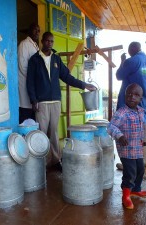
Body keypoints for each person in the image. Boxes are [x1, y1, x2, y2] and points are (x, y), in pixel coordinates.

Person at [26, 31, 96, 170]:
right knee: (41, 132)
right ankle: (43, 163)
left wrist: (84, 85)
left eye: (52, 41)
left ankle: (56, 160)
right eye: (47, 41)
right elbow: (30, 82)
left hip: (56, 101)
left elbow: (67, 77)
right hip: (42, 102)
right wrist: (33, 100)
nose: (49, 44)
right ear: (42, 42)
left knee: (54, 132)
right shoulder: (34, 60)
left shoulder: (56, 59)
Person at [115, 42, 146, 169]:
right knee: (142, 126)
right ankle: (144, 160)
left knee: (126, 129)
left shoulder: (131, 61)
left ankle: (128, 163)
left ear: (131, 50)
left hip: (128, 103)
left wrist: (122, 61)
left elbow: (118, 76)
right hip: (143, 102)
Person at [107, 83, 146, 210]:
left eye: (136, 95)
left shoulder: (141, 111)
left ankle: (135, 190)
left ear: (141, 99)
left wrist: (144, 138)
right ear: (125, 96)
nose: (132, 97)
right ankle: (125, 196)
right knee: (130, 172)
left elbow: (142, 126)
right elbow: (111, 126)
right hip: (126, 149)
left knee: (140, 169)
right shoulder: (122, 112)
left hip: (138, 148)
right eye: (129, 94)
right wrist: (119, 135)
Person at [18, 23, 40, 124]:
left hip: (33, 87)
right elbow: (23, 67)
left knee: (32, 118)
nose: (37, 32)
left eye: (39, 31)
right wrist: (35, 79)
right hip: (25, 85)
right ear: (29, 31)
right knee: (25, 116)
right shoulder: (24, 44)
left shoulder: (36, 46)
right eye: (35, 30)